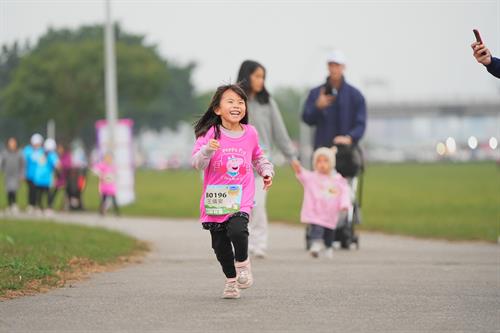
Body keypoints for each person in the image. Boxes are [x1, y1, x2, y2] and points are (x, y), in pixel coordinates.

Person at [192, 84, 274, 299]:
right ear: (217, 109)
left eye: (240, 102)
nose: (237, 105)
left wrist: (266, 170)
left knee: (238, 229)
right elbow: (197, 163)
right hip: (217, 197)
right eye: (230, 101)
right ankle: (231, 281)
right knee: (220, 246)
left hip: (241, 195)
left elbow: (258, 157)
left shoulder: (250, 133)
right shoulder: (210, 133)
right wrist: (208, 149)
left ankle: (243, 263)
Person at [237, 60, 297, 258]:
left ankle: (259, 243)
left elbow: (280, 133)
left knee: (258, 205)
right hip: (236, 163)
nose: (261, 80)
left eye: (263, 77)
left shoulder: (268, 103)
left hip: (261, 162)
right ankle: (242, 244)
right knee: (239, 208)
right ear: (247, 76)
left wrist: (292, 158)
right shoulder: (235, 101)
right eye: (257, 76)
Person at [291, 147, 351, 258]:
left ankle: (328, 247)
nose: (322, 164)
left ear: (331, 163)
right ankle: (316, 245)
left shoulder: (337, 180)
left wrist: (344, 204)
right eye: (319, 161)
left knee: (329, 232)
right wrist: (298, 168)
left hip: (330, 213)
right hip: (316, 211)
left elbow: (344, 192)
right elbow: (303, 175)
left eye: (325, 161)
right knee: (316, 228)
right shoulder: (312, 177)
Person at [302, 50, 366, 150]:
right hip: (323, 154)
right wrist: (317, 107)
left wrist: (349, 138)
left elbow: (360, 124)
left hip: (347, 152)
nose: (334, 69)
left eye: (337, 65)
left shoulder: (355, 95)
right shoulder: (316, 93)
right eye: (331, 65)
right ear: (327, 67)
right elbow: (306, 118)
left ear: (343, 67)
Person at [33, 138, 59, 215]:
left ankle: (38, 207)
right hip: (47, 178)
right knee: (48, 193)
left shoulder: (40, 152)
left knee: (39, 193)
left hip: (38, 177)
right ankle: (49, 208)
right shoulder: (52, 155)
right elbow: (57, 165)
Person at [0, 138, 24, 214]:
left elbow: (22, 164)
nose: (12, 145)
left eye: (13, 143)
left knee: (14, 189)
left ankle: (14, 204)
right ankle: (9, 204)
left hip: (16, 174)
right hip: (8, 174)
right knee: (8, 190)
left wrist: (22, 174)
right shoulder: (5, 153)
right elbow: (1, 163)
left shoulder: (19, 153)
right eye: (10, 143)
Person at [92, 152, 119, 216]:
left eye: (109, 158)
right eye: (107, 158)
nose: (108, 159)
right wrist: (101, 175)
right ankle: (101, 211)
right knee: (104, 199)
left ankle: (117, 212)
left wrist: (112, 177)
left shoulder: (113, 166)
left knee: (113, 198)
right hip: (104, 186)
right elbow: (94, 170)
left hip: (111, 186)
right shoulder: (102, 165)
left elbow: (115, 174)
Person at [23, 133, 44, 213]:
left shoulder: (42, 151)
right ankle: (31, 204)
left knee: (38, 191)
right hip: (30, 174)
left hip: (39, 175)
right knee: (31, 190)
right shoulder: (27, 150)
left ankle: (36, 205)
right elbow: (24, 162)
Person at [48, 143, 72, 210]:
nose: (59, 150)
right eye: (58, 149)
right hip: (58, 178)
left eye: (60, 148)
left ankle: (66, 206)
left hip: (65, 178)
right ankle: (50, 205)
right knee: (54, 192)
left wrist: (61, 165)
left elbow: (68, 165)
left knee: (66, 193)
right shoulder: (57, 156)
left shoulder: (67, 156)